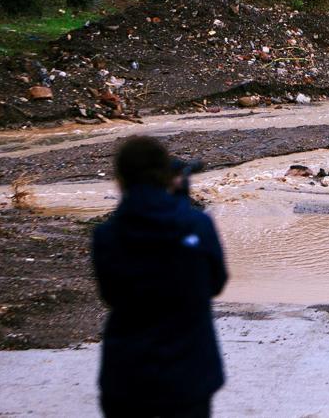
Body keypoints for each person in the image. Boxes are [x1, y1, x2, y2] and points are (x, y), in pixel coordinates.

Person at [92, 137, 228, 418]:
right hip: (188, 373)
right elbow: (215, 283)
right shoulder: (197, 226)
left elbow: (111, 295)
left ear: (120, 180)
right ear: (164, 175)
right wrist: (180, 204)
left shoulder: (106, 235)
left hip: (127, 375)